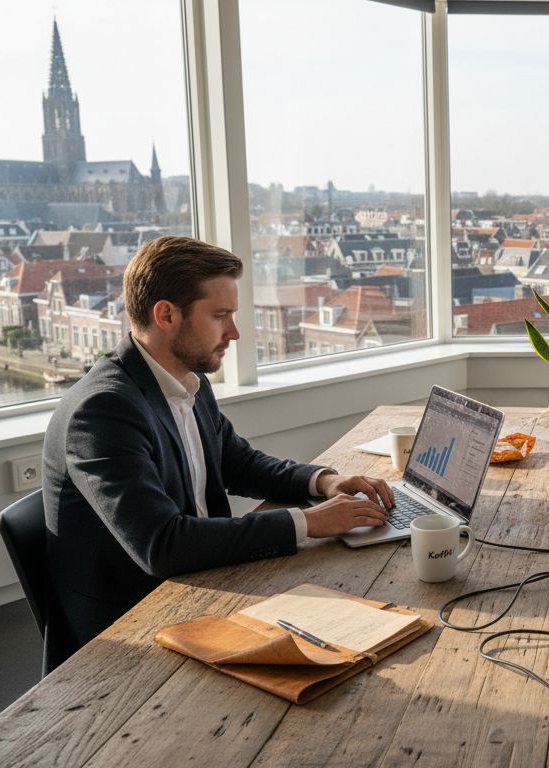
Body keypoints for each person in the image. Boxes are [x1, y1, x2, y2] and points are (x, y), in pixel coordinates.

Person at [41, 236, 395, 672]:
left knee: (360, 634)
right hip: (132, 634)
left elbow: (237, 462)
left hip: (205, 582)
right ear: (166, 315)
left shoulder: (185, 378)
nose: (235, 332)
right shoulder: (102, 411)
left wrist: (323, 482)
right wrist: (309, 522)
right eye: (221, 316)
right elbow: (163, 545)